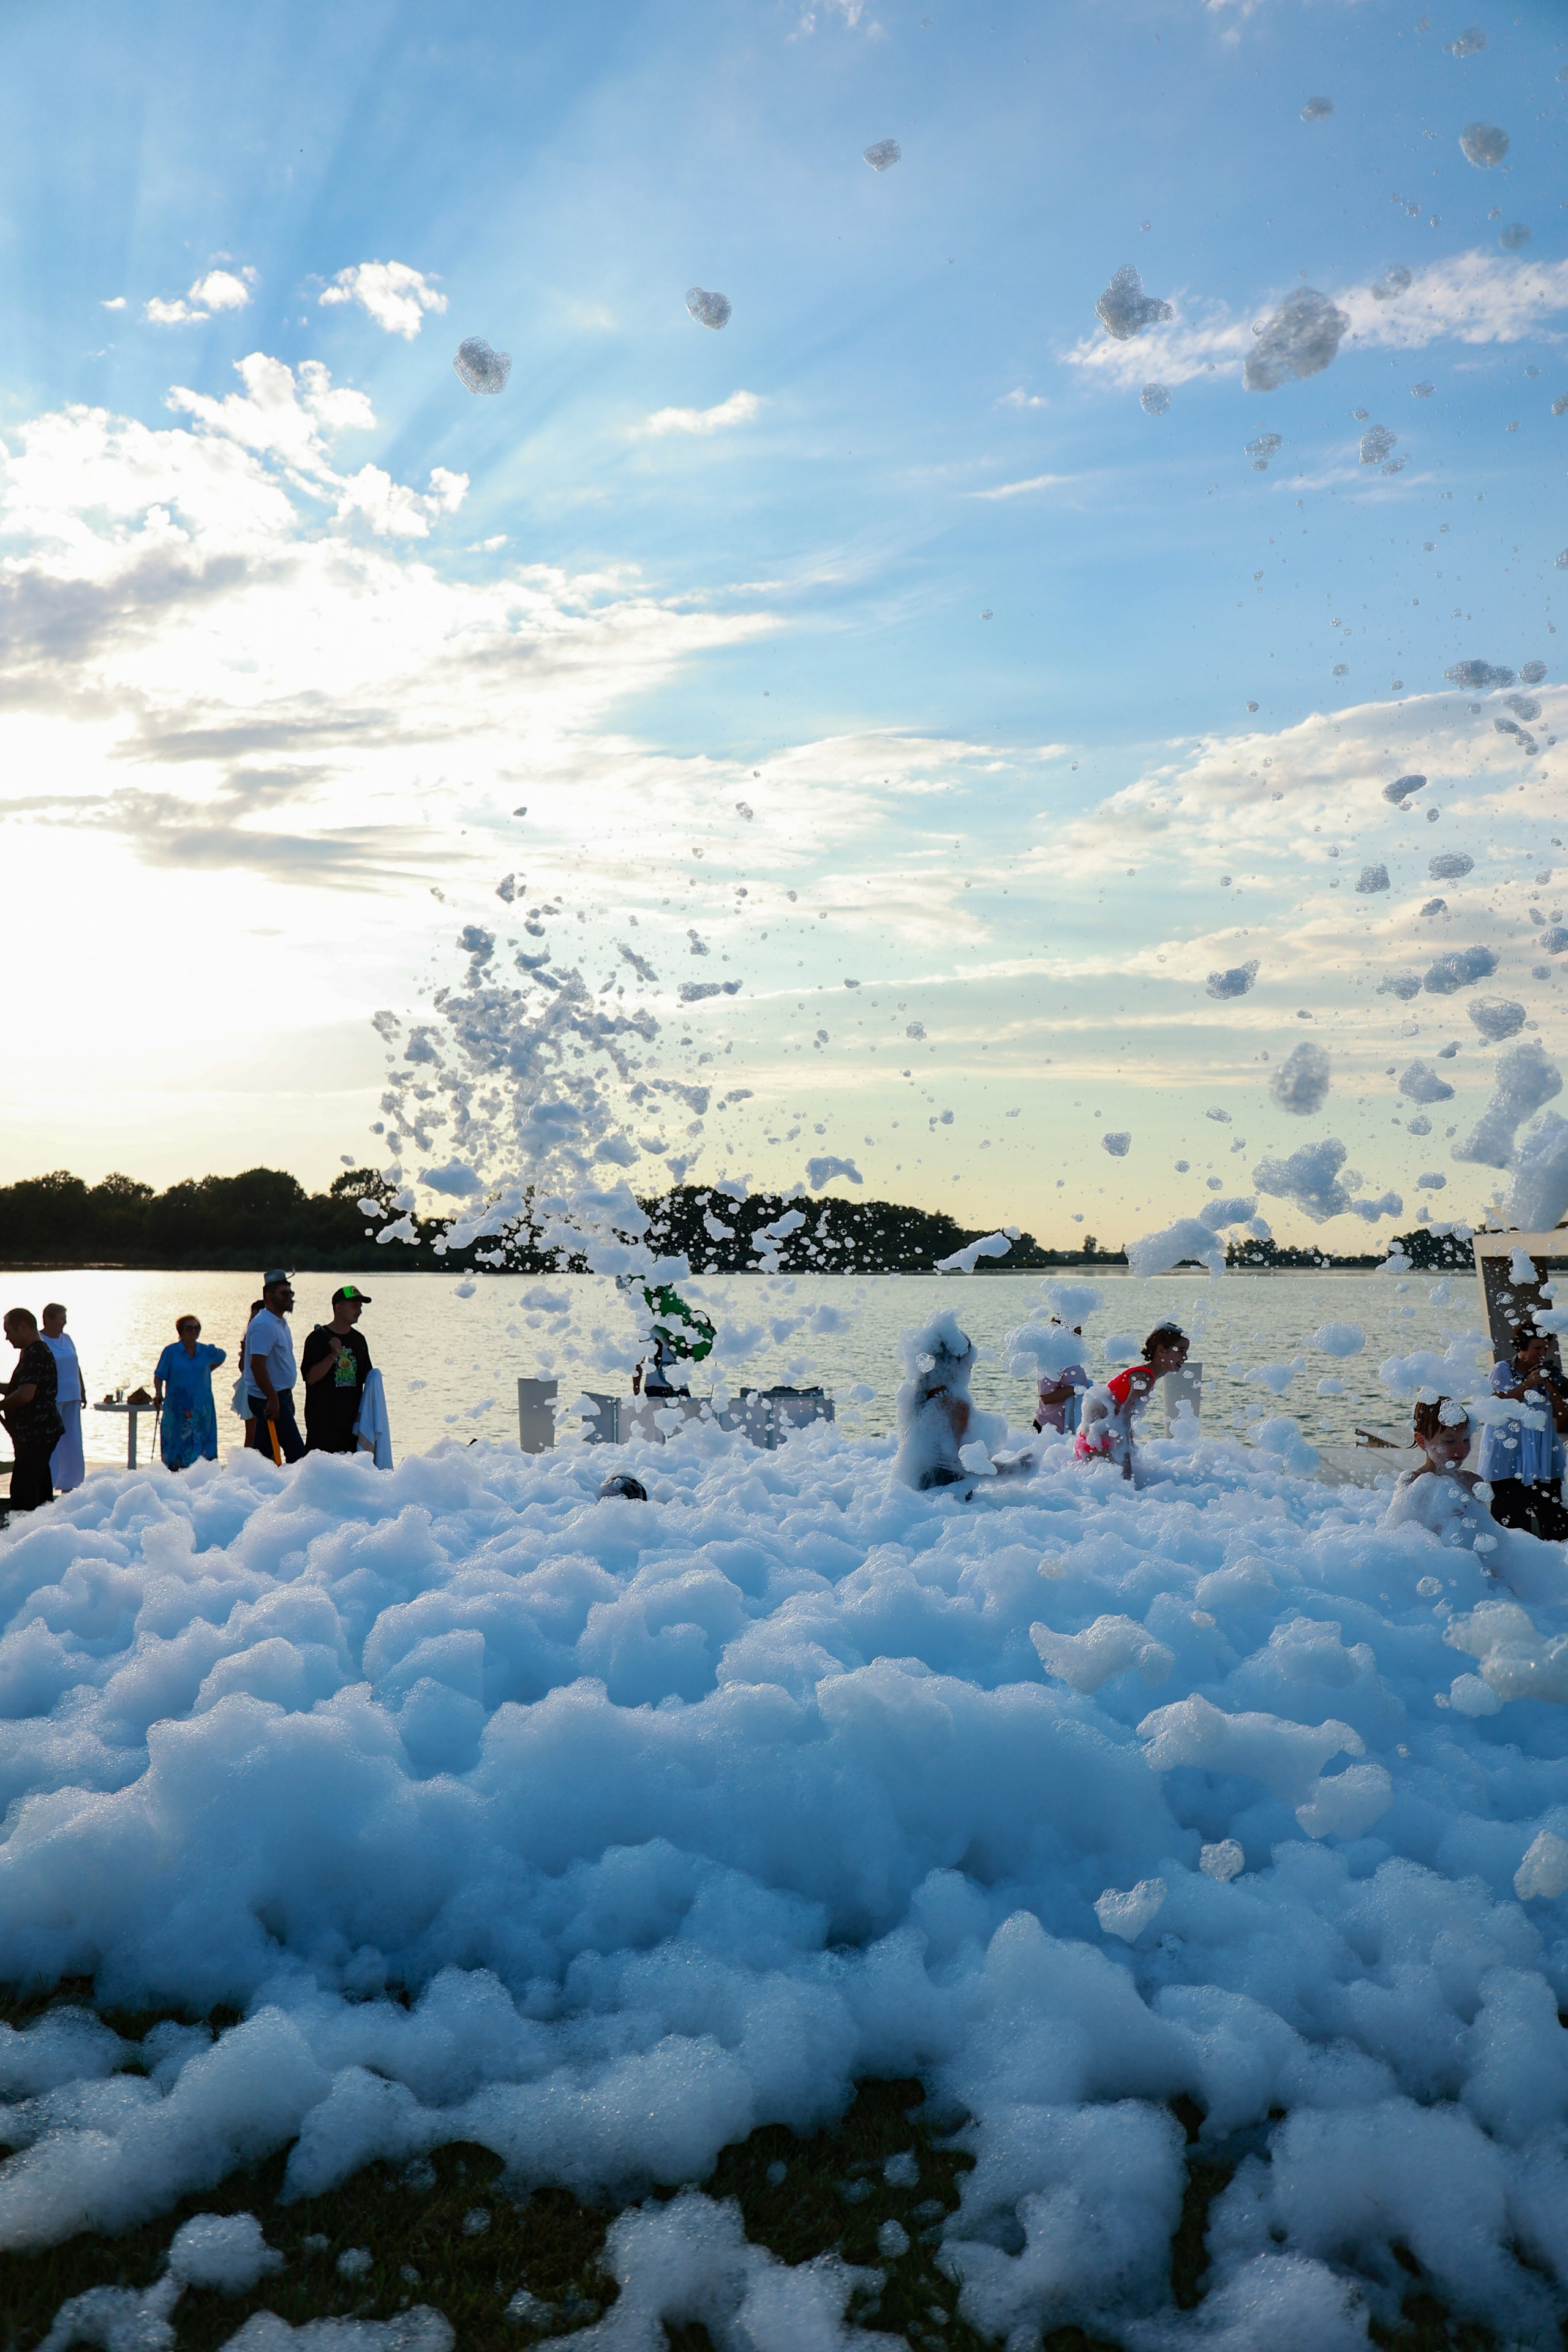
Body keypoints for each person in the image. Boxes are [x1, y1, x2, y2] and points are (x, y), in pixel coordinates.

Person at [1478, 1323, 1568, 1540]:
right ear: (1521, 1347)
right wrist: (1528, 1384)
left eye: (1546, 1348)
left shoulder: (1546, 1373)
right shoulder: (1502, 1369)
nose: (1542, 1353)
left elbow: (1561, 1414)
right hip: (1509, 1460)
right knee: (1512, 1524)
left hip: (1542, 1461)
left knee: (1557, 1524)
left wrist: (1552, 1387)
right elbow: (1497, 1406)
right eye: (1537, 1348)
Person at [1076, 1324, 1189, 1482]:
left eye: (1187, 1351)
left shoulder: (1145, 1375)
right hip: (1100, 1441)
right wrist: (1127, 1464)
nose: (1185, 1357)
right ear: (1162, 1350)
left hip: (1094, 1438)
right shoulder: (1144, 1378)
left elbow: (1121, 1420)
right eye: (1181, 1351)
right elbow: (1123, 1421)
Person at [1384, 1399, 1492, 1551]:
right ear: (1422, 1441)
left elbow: (1487, 1535)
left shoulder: (1473, 1482)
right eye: (1450, 1441)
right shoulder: (1413, 1484)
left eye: (1466, 1439)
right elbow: (1401, 1540)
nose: (1461, 1448)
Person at [2, 1308, 64, 1512]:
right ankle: (43, 1528)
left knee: (24, 1491)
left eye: (9, 1331)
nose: (7, 1338)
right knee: (40, 1487)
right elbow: (19, 1387)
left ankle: (24, 1533)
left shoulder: (37, 1353)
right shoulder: (32, 1352)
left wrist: (1, 1406)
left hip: (38, 1433)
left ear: (24, 1327)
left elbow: (26, 1394)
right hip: (37, 1433)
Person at [301, 1286, 374, 1453]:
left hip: (351, 1425)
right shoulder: (317, 1339)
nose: (360, 1311)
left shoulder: (359, 1340)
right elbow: (310, 1378)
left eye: (360, 1306)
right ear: (338, 1308)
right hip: (322, 1424)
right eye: (355, 1306)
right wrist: (333, 1355)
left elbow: (367, 1378)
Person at [243, 1272, 304, 1464]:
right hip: (267, 1398)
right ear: (270, 1297)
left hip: (278, 1396)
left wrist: (287, 1395)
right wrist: (273, 1398)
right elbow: (257, 1364)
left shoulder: (280, 1323)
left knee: (262, 1456)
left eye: (291, 1294)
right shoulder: (264, 1324)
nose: (290, 1298)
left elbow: (278, 1366)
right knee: (297, 1454)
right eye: (284, 1294)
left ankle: (249, 1487)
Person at [154, 1316, 227, 1471]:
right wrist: (158, 1393)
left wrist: (208, 1369)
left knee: (203, 1448)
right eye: (189, 1328)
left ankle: (202, 1480)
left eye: (196, 1328)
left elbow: (222, 1355)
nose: (193, 1331)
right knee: (175, 1446)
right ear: (181, 1331)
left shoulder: (205, 1351)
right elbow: (159, 1375)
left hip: (202, 1409)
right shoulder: (171, 1352)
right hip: (177, 1408)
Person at [40, 1303, 86, 1494]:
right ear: (48, 1319)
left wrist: (82, 1389)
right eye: (60, 1318)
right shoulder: (40, 1340)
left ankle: (71, 1485)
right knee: (54, 1442)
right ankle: (46, 1484)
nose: (64, 1322)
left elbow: (76, 1365)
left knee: (73, 1441)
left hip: (72, 1395)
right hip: (53, 1397)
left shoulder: (67, 1339)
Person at [1035, 1320, 1091, 1437]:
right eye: (1073, 1333)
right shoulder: (1050, 1360)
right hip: (1048, 1429)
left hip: (1066, 1431)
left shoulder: (1073, 1358)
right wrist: (1075, 1389)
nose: (1078, 1338)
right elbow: (1046, 1397)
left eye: (1079, 1333)